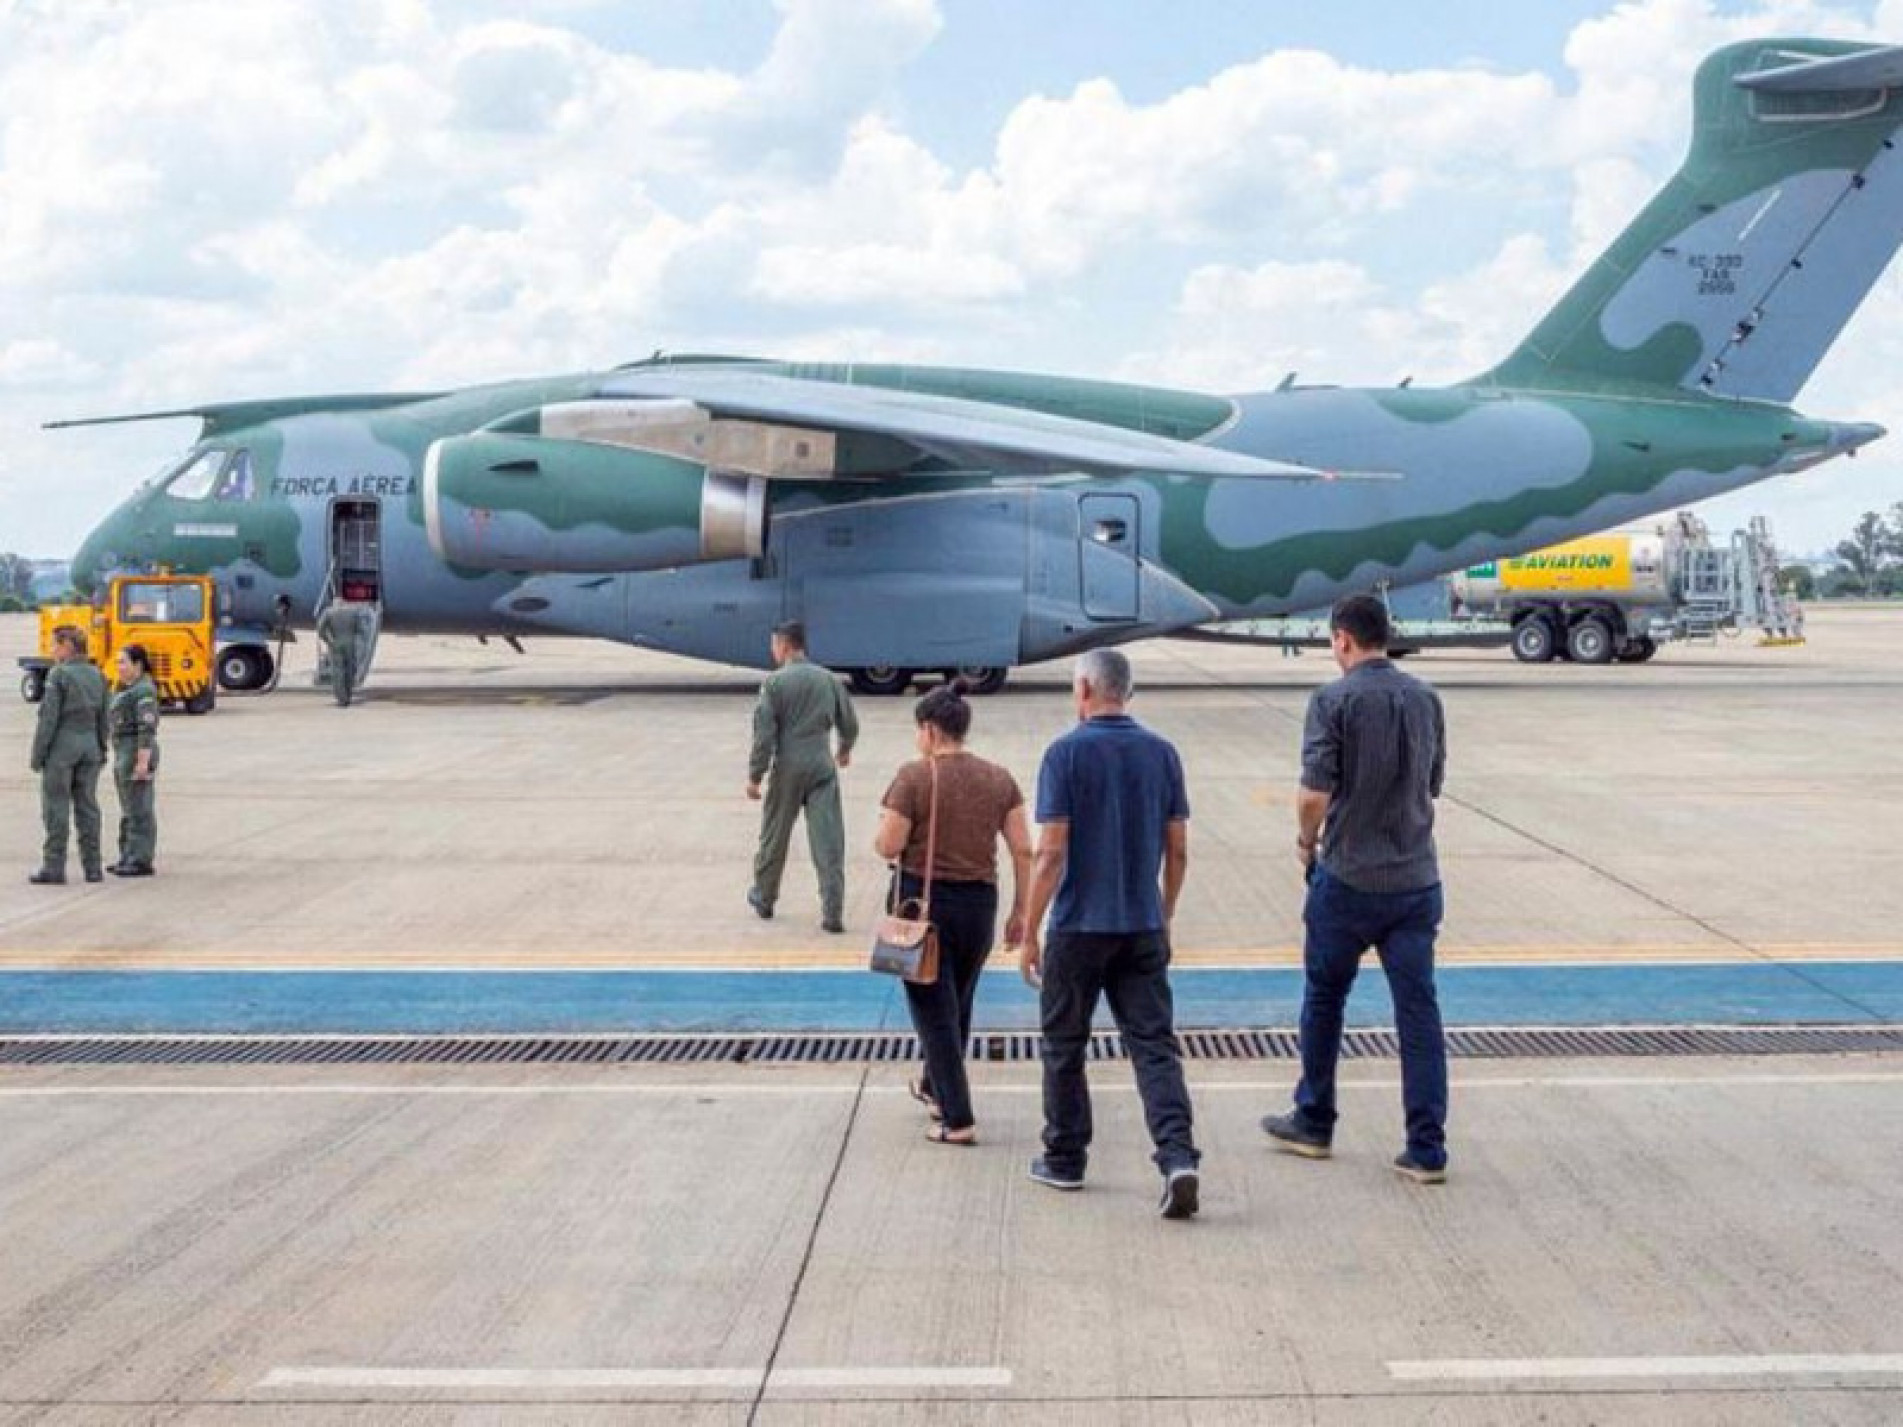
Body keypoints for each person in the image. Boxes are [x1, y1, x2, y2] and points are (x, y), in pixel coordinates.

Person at [1261, 593, 1451, 1184]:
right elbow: (1433, 782)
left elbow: (1314, 791)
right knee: (1418, 1012)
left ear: (1342, 639)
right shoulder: (1425, 699)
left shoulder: (1331, 700)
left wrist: (1306, 840)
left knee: (1324, 998)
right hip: (1416, 878)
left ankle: (1314, 1118)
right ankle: (1426, 1148)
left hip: (1349, 877)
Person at [1018, 648, 1200, 1219]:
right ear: (1128, 692)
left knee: (1064, 1045)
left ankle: (1066, 1157)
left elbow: (1050, 853)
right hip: (1141, 923)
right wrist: (1164, 911)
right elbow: (1178, 849)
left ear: (1084, 691)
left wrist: (1028, 927)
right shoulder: (1162, 754)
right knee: (1154, 1046)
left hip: (1078, 927)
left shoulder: (1064, 755)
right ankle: (1177, 1157)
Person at [873, 679, 1033, 1146]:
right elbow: (1024, 848)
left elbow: (889, 843)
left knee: (933, 1014)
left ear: (929, 730)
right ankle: (933, 1088)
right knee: (957, 1003)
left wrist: (880, 837)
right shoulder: (999, 777)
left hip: (926, 912)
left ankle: (957, 1116)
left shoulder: (914, 777)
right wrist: (1021, 910)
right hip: (981, 906)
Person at [746, 621, 859, 932]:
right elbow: (849, 723)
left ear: (783, 646)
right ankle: (832, 911)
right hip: (822, 764)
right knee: (828, 840)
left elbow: (764, 736)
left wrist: (755, 775)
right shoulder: (828, 679)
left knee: (775, 835)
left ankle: (765, 896)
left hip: (788, 768)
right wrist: (845, 749)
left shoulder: (774, 684)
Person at [28, 624, 110, 885]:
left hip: (63, 748)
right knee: (88, 807)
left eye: (54, 645)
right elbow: (104, 718)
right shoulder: (97, 674)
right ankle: (93, 867)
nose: (52, 650)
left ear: (66, 646)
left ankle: (54, 866)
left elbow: (48, 720)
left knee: (56, 807)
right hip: (90, 747)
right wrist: (101, 748)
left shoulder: (58, 675)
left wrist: (38, 754)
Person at [108, 643, 161, 877]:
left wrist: (142, 761)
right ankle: (128, 854)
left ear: (137, 665)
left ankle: (140, 859)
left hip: (136, 750)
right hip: (123, 750)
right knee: (128, 806)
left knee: (139, 806)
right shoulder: (126, 689)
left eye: (123, 662)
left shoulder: (143, 691)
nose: (118, 667)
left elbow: (146, 728)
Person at [316, 600, 375, 707]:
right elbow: (361, 629)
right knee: (349, 670)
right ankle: (348, 695)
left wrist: (328, 641)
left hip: (336, 643)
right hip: (350, 643)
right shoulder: (353, 612)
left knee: (338, 671)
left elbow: (320, 629)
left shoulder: (328, 612)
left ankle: (341, 698)